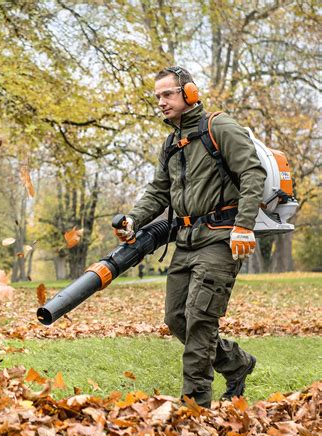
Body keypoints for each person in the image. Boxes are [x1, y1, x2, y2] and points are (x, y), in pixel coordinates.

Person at [113, 66, 266, 408]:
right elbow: (158, 191)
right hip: (186, 239)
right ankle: (236, 363)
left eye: (167, 94)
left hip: (220, 238)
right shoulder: (171, 143)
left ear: (190, 93)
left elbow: (252, 172)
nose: (161, 102)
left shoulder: (219, 127)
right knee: (176, 318)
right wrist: (133, 219)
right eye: (157, 97)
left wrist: (244, 225)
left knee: (200, 318)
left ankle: (194, 407)